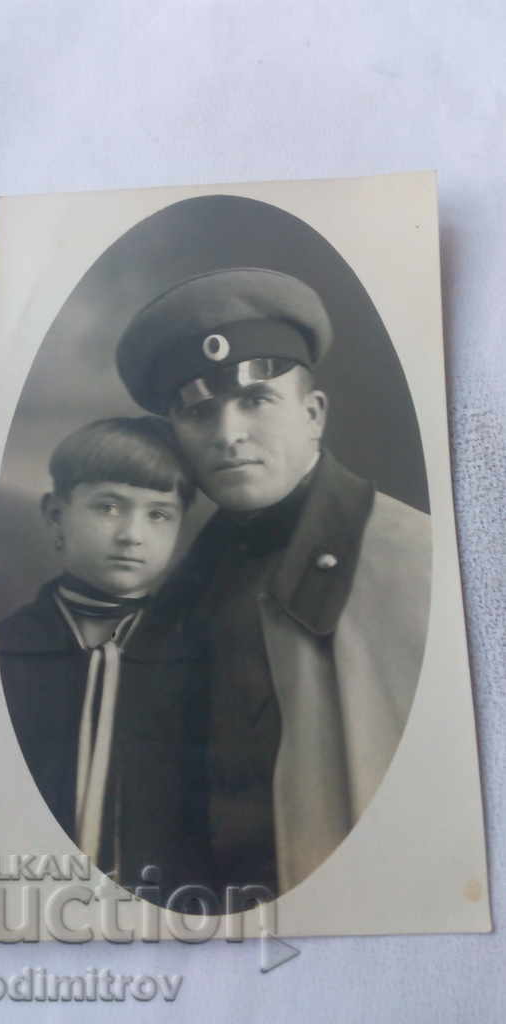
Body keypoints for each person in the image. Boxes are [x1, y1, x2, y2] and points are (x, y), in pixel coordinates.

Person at [116, 267, 432, 900]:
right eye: (200, 411)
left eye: (256, 401)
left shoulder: (416, 561)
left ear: (313, 414)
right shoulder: (177, 592)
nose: (228, 434)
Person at [0, 416, 204, 893]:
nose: (132, 534)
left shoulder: (196, 660)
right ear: (55, 515)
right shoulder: (4, 652)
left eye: (158, 514)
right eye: (109, 507)